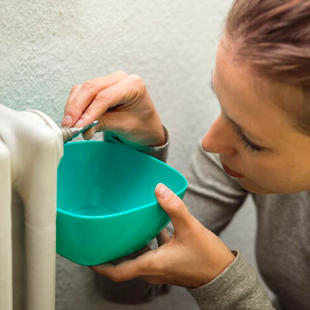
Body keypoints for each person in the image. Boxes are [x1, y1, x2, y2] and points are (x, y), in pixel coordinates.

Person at [61, 1, 310, 309]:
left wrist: (224, 284)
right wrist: (135, 156)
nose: (210, 142)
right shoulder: (234, 154)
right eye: (221, 104)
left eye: (249, 139)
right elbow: (131, 286)